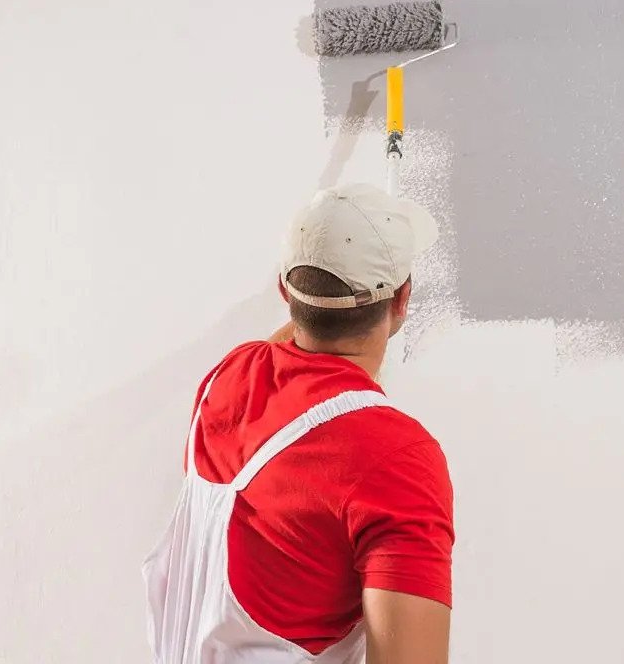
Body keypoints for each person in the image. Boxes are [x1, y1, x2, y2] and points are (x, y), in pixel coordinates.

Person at [143, 183, 455, 664]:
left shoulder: (228, 380)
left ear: (284, 291)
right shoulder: (396, 461)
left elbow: (291, 345)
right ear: (403, 300)